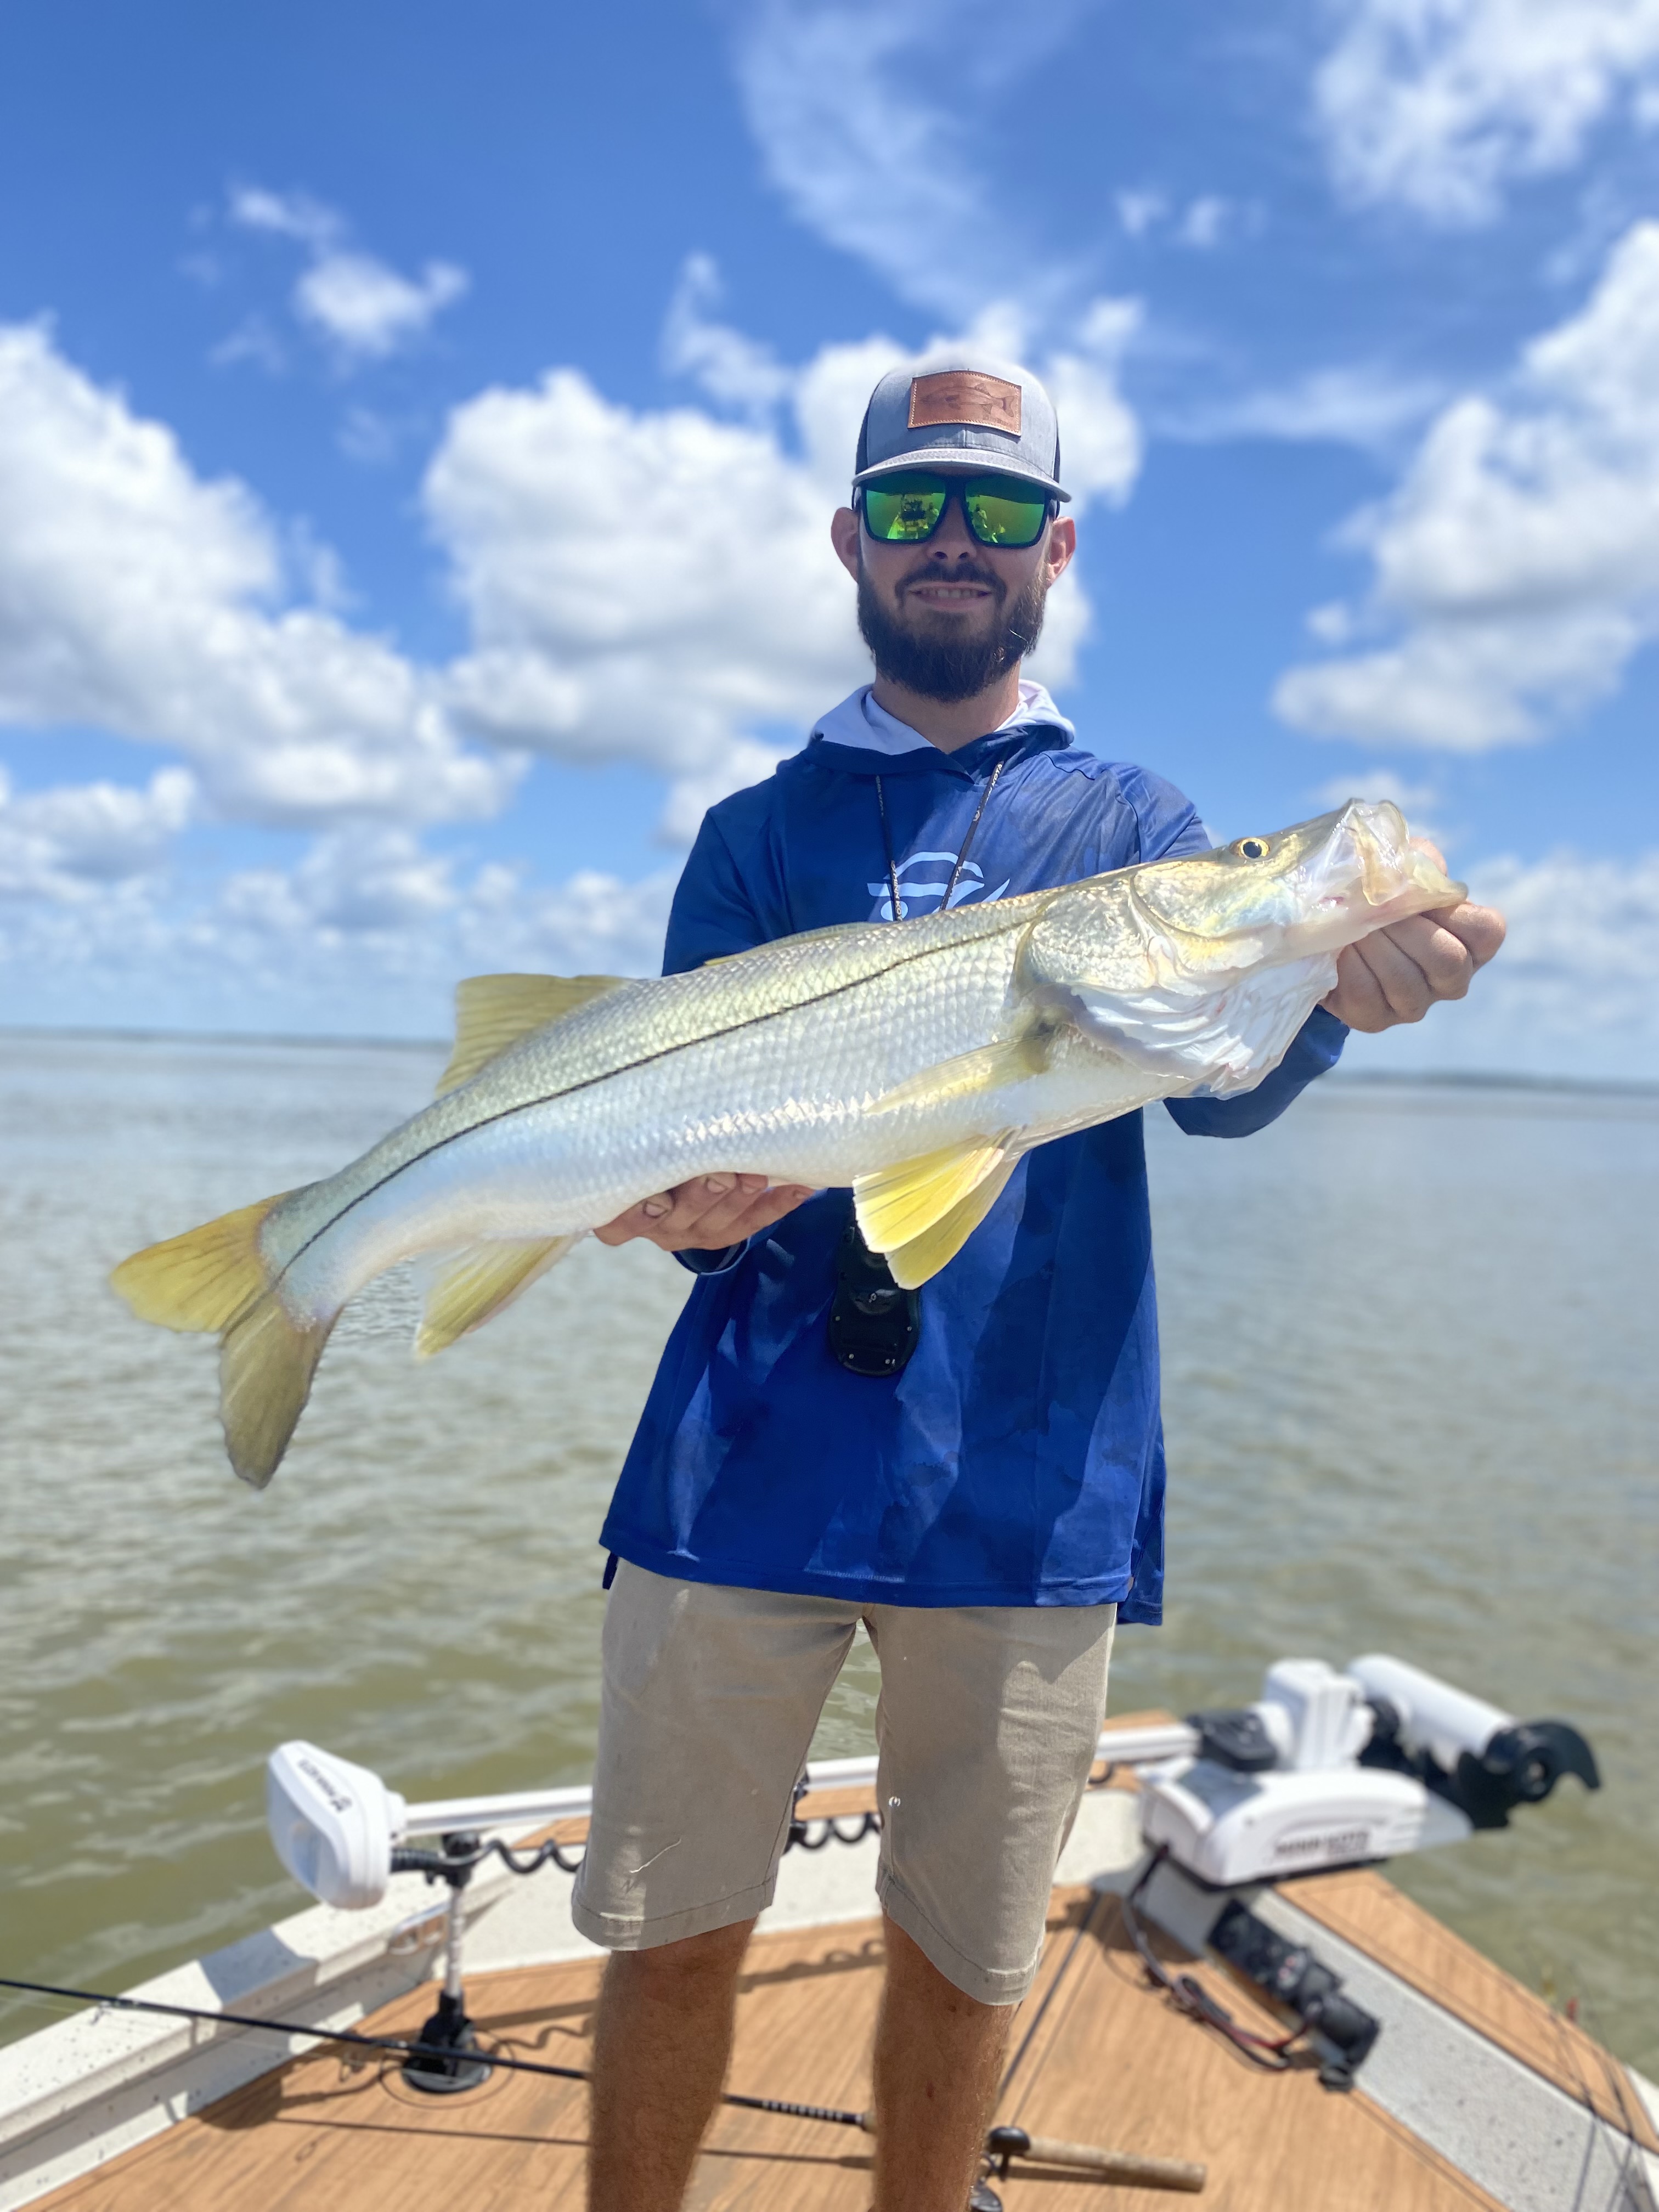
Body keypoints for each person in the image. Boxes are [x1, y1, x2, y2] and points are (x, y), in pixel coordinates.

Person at [574, 356, 1505, 2212]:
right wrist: (683, 1206)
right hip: (734, 1464)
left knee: (965, 1952)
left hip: (1027, 1487)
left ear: (1055, 550)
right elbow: (684, 1153)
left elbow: (1220, 1094)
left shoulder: (1135, 824)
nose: (951, 542)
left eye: (997, 510)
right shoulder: (754, 832)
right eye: (912, 504)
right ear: (851, 535)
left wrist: (1327, 990)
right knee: (669, 1930)